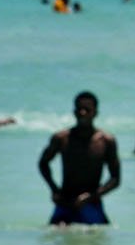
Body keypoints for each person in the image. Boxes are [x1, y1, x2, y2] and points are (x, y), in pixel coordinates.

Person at [38, 92, 122, 226]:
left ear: (95, 113)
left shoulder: (106, 141)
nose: (82, 113)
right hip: (65, 202)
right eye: (79, 109)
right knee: (54, 240)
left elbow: (115, 179)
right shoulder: (61, 138)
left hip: (92, 204)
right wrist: (54, 189)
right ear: (74, 112)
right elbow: (43, 163)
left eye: (87, 110)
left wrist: (91, 197)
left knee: (99, 242)